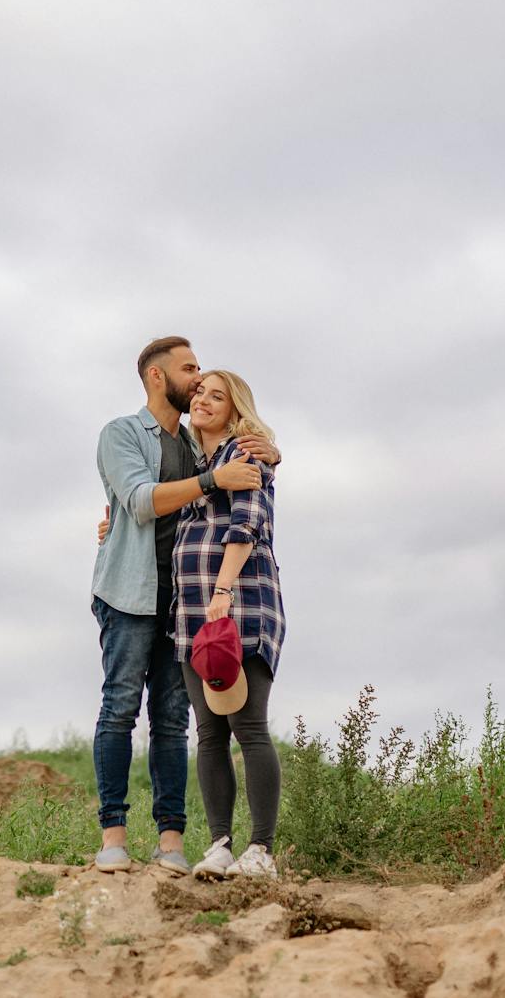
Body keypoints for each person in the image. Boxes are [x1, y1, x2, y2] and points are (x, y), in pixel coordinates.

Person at [90, 338, 279, 874]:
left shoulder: (202, 447)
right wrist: (212, 479)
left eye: (203, 374)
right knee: (120, 709)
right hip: (129, 594)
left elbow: (243, 480)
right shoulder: (122, 434)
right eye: (189, 369)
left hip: (184, 606)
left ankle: (172, 843)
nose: (197, 380)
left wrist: (269, 448)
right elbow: (140, 500)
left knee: (174, 723)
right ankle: (114, 838)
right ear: (156, 376)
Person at [175, 371, 285, 879]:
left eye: (216, 395)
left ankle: (261, 850)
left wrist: (222, 591)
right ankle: (220, 845)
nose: (203, 399)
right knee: (209, 732)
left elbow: (248, 522)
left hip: (238, 605)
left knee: (248, 726)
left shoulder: (246, 453)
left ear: (235, 409)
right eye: (199, 391)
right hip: (192, 614)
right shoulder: (191, 464)